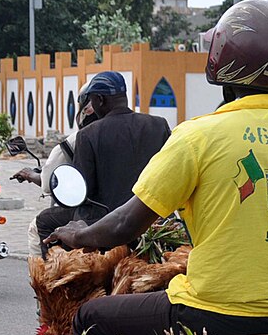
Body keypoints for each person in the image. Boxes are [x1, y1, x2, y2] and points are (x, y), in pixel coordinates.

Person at [46, 0, 268, 335]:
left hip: (210, 317)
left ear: (223, 63)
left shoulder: (197, 136)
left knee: (92, 317)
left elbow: (124, 226)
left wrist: (77, 235)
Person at [33, 71, 170, 255]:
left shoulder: (87, 135)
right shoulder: (159, 125)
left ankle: (51, 270)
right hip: (154, 218)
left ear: (100, 99)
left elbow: (83, 189)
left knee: (44, 221)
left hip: (103, 224)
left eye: (92, 100)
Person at [12, 82, 98, 258]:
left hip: (93, 210)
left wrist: (30, 174)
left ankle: (46, 269)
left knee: (39, 224)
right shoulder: (139, 130)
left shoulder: (76, 140)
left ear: (88, 108)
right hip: (132, 210)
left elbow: (48, 184)